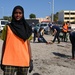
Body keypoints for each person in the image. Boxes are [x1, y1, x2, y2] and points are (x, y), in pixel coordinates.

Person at [1, 5, 33, 75]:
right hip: (8, 61)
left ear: (23, 14)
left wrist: (30, 60)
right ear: (13, 14)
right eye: (16, 13)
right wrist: (2, 59)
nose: (18, 15)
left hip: (23, 61)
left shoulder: (27, 29)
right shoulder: (7, 27)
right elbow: (4, 44)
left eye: (20, 13)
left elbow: (28, 45)